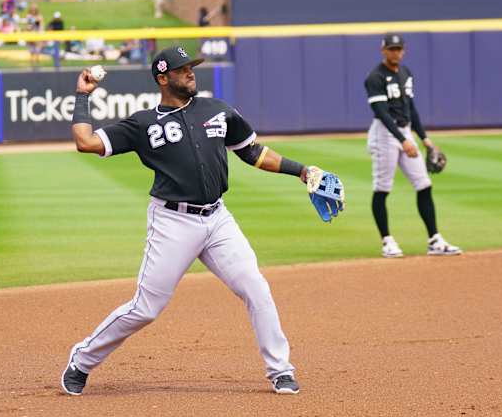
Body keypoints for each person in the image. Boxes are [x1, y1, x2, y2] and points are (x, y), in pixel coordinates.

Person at [60, 46, 341, 396]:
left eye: (191, 67)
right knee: (145, 309)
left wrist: (302, 171)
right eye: (182, 69)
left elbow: (253, 153)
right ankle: (82, 360)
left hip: (218, 219)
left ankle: (280, 370)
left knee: (256, 288)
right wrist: (82, 96)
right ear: (163, 78)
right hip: (172, 223)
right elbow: (85, 142)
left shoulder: (217, 110)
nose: (191, 73)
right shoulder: (143, 123)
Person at [364, 33, 462, 258]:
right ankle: (387, 241)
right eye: (391, 49)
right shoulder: (375, 77)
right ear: (383, 51)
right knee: (382, 187)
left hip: (405, 131)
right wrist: (403, 140)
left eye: (399, 49)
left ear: (404, 50)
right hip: (384, 134)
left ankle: (434, 240)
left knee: (424, 184)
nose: (395, 52)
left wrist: (424, 138)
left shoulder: (406, 73)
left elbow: (411, 108)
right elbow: (381, 112)